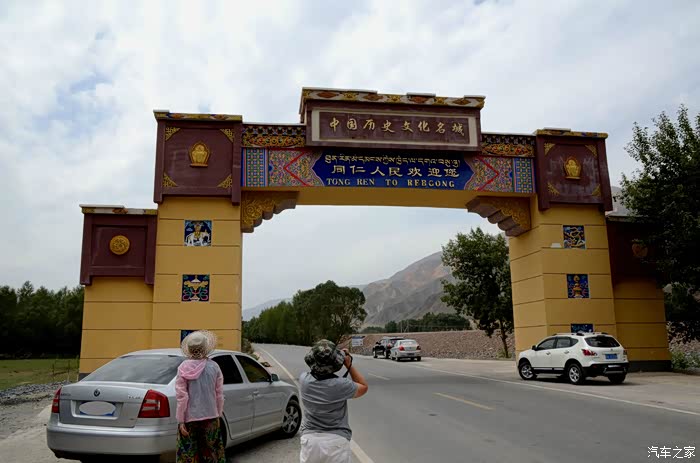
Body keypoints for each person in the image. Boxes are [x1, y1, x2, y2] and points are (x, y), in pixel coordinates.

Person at [299, 339, 369, 463]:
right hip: (336, 442)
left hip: (310, 442)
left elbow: (315, 368)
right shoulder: (340, 385)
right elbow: (363, 387)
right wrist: (348, 364)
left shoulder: (304, 380)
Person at [175, 330, 225, 463]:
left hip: (189, 419)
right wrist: (218, 414)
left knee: (188, 456)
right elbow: (219, 394)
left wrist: (181, 420)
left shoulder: (183, 368)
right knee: (212, 454)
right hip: (211, 416)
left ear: (189, 349)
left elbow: (182, 397)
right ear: (205, 348)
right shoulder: (214, 367)